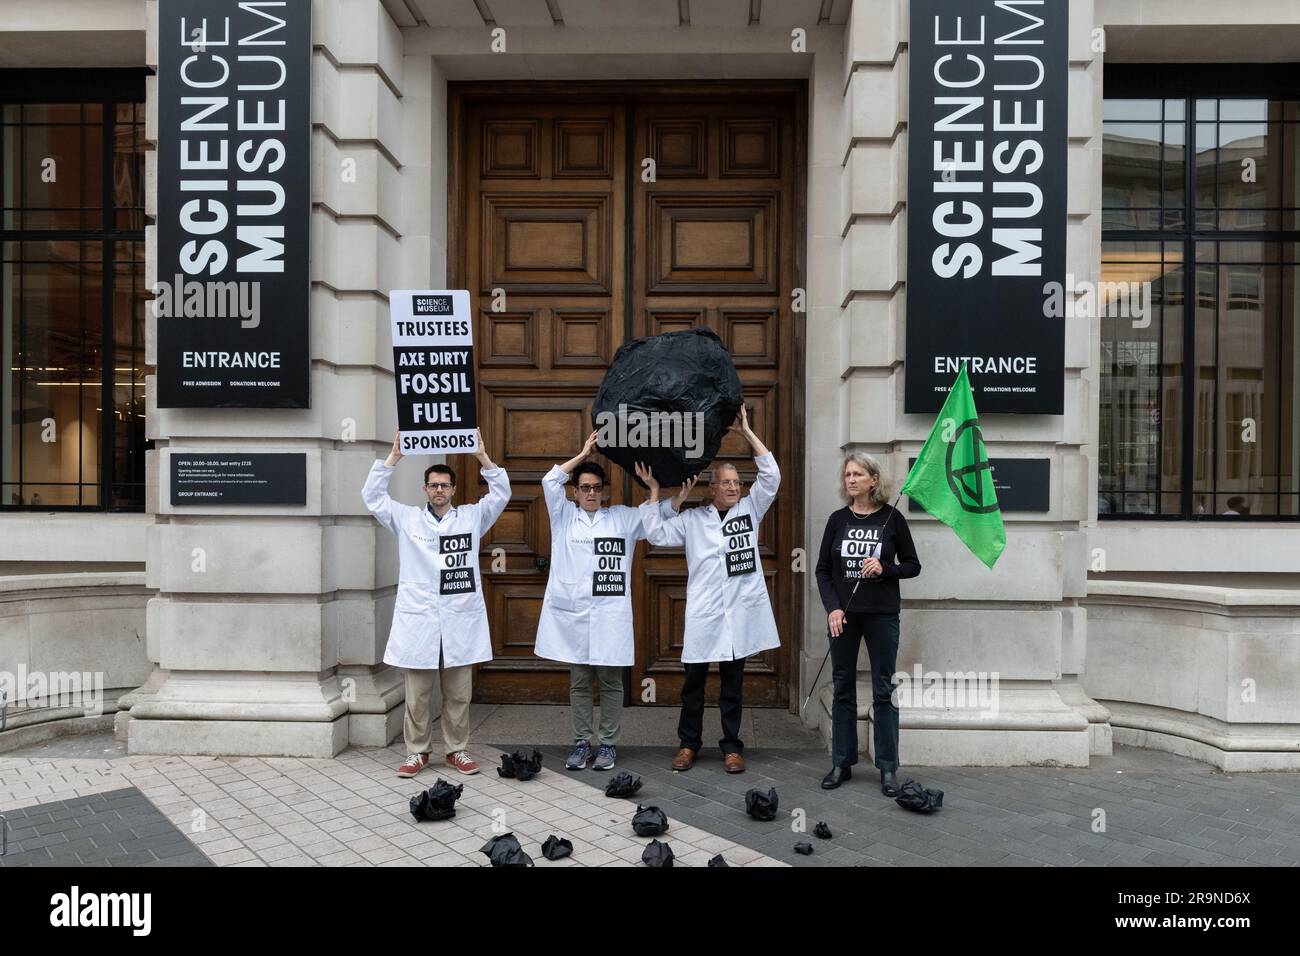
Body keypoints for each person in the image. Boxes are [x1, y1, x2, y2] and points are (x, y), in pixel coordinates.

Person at [636, 406, 779, 774]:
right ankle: (688, 745)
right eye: (726, 483)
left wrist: (746, 432)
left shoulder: (750, 511)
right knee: (694, 684)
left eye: (737, 483)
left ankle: (732, 747)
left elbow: (772, 475)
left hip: (739, 611)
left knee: (733, 684)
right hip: (704, 613)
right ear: (712, 488)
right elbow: (655, 533)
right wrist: (657, 494)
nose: (733, 488)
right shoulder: (693, 520)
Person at [535, 430, 688, 771]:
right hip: (572, 615)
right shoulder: (562, 517)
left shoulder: (621, 517)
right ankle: (580, 742)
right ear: (575, 493)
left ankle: (607, 744)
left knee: (610, 680)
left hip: (609, 614)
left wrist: (665, 496)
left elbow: (656, 516)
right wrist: (583, 452)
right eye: (584, 488)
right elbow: (549, 480)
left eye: (596, 488)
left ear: (605, 492)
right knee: (579, 681)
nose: (591, 493)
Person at [362, 429, 510, 778]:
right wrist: (393, 458)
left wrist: (482, 456)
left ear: (454, 490)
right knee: (417, 695)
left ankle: (457, 751)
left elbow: (502, 493)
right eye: (433, 485)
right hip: (420, 618)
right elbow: (372, 498)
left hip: (459, 618)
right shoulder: (408, 519)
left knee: (458, 694)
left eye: (445, 485)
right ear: (425, 489)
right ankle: (417, 753)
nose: (439, 490)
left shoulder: (472, 518)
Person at [814, 452, 921, 795]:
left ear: (874, 480)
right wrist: (832, 608)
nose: (851, 479)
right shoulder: (837, 520)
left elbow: (913, 565)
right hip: (843, 617)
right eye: (847, 474)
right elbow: (823, 570)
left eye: (858, 474)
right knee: (842, 685)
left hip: (882, 614)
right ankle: (841, 762)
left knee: (883, 690)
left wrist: (884, 568)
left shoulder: (893, 519)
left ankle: (888, 767)